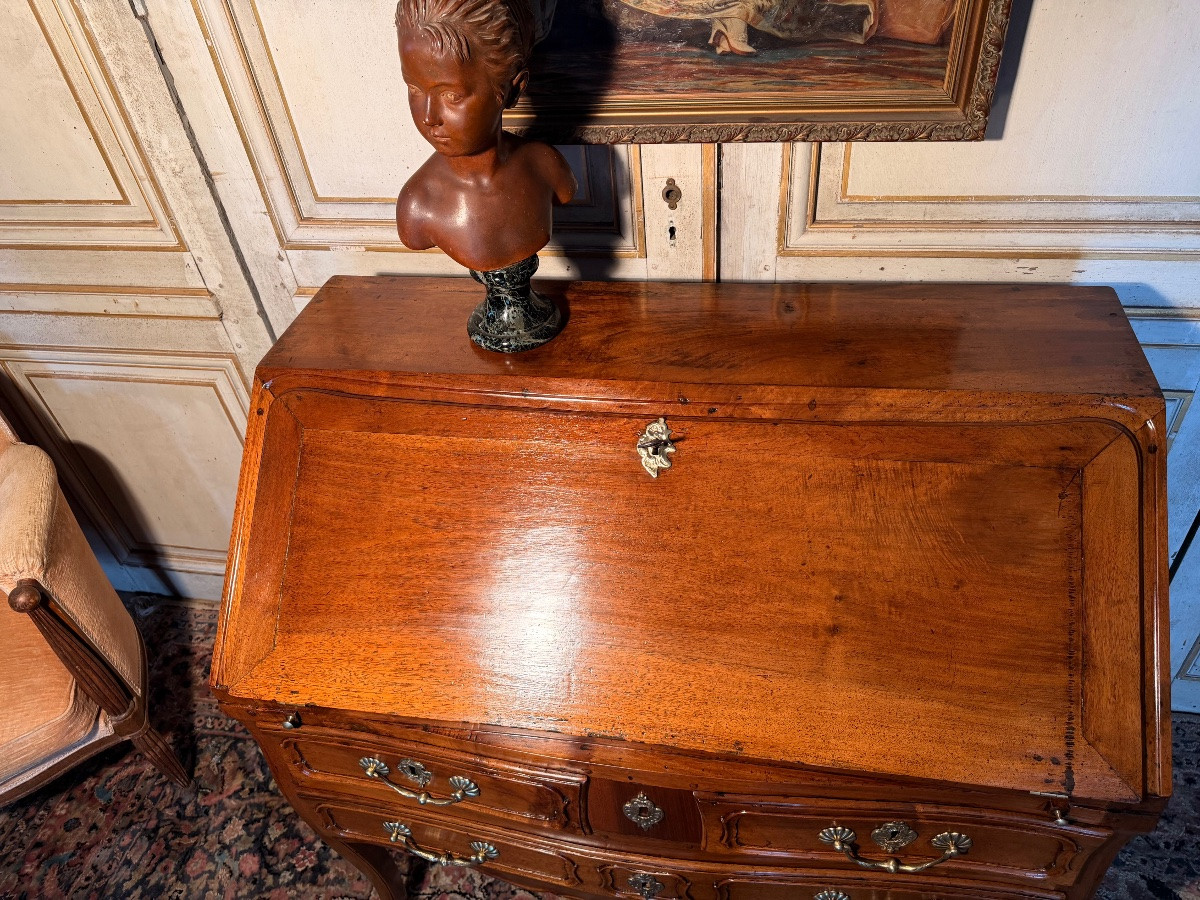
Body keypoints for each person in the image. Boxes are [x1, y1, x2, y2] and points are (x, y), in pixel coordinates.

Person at [395, 0, 577, 274]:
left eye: (452, 96)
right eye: (415, 89)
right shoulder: (418, 205)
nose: (429, 117)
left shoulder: (546, 166)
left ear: (513, 90)